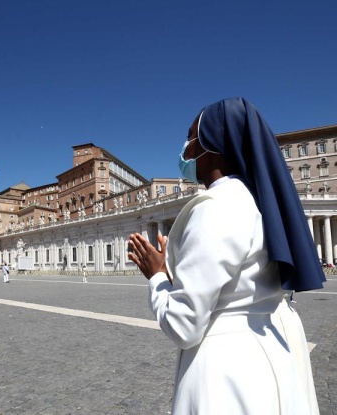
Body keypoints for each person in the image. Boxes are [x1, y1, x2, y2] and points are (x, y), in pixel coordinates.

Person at [128, 97, 324, 415]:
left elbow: (183, 326)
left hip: (226, 372)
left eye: (191, 137)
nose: (185, 148)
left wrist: (158, 276)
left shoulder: (215, 209)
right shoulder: (258, 203)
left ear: (211, 145)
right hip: (271, 354)